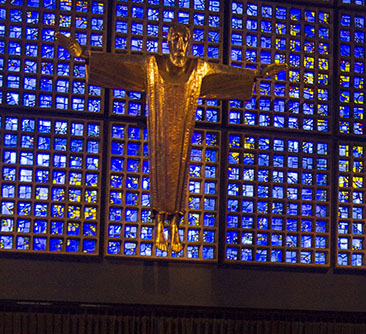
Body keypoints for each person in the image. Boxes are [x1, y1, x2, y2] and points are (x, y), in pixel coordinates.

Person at [57, 23, 282, 252]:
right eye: (175, 39)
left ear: (189, 43)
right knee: (160, 169)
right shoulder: (152, 66)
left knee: (181, 171)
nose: (179, 45)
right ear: (167, 41)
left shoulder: (199, 69)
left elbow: (225, 74)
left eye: (184, 40)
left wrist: (257, 74)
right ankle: (158, 224)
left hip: (183, 129)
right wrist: (84, 55)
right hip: (160, 128)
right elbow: (121, 65)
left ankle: (174, 224)